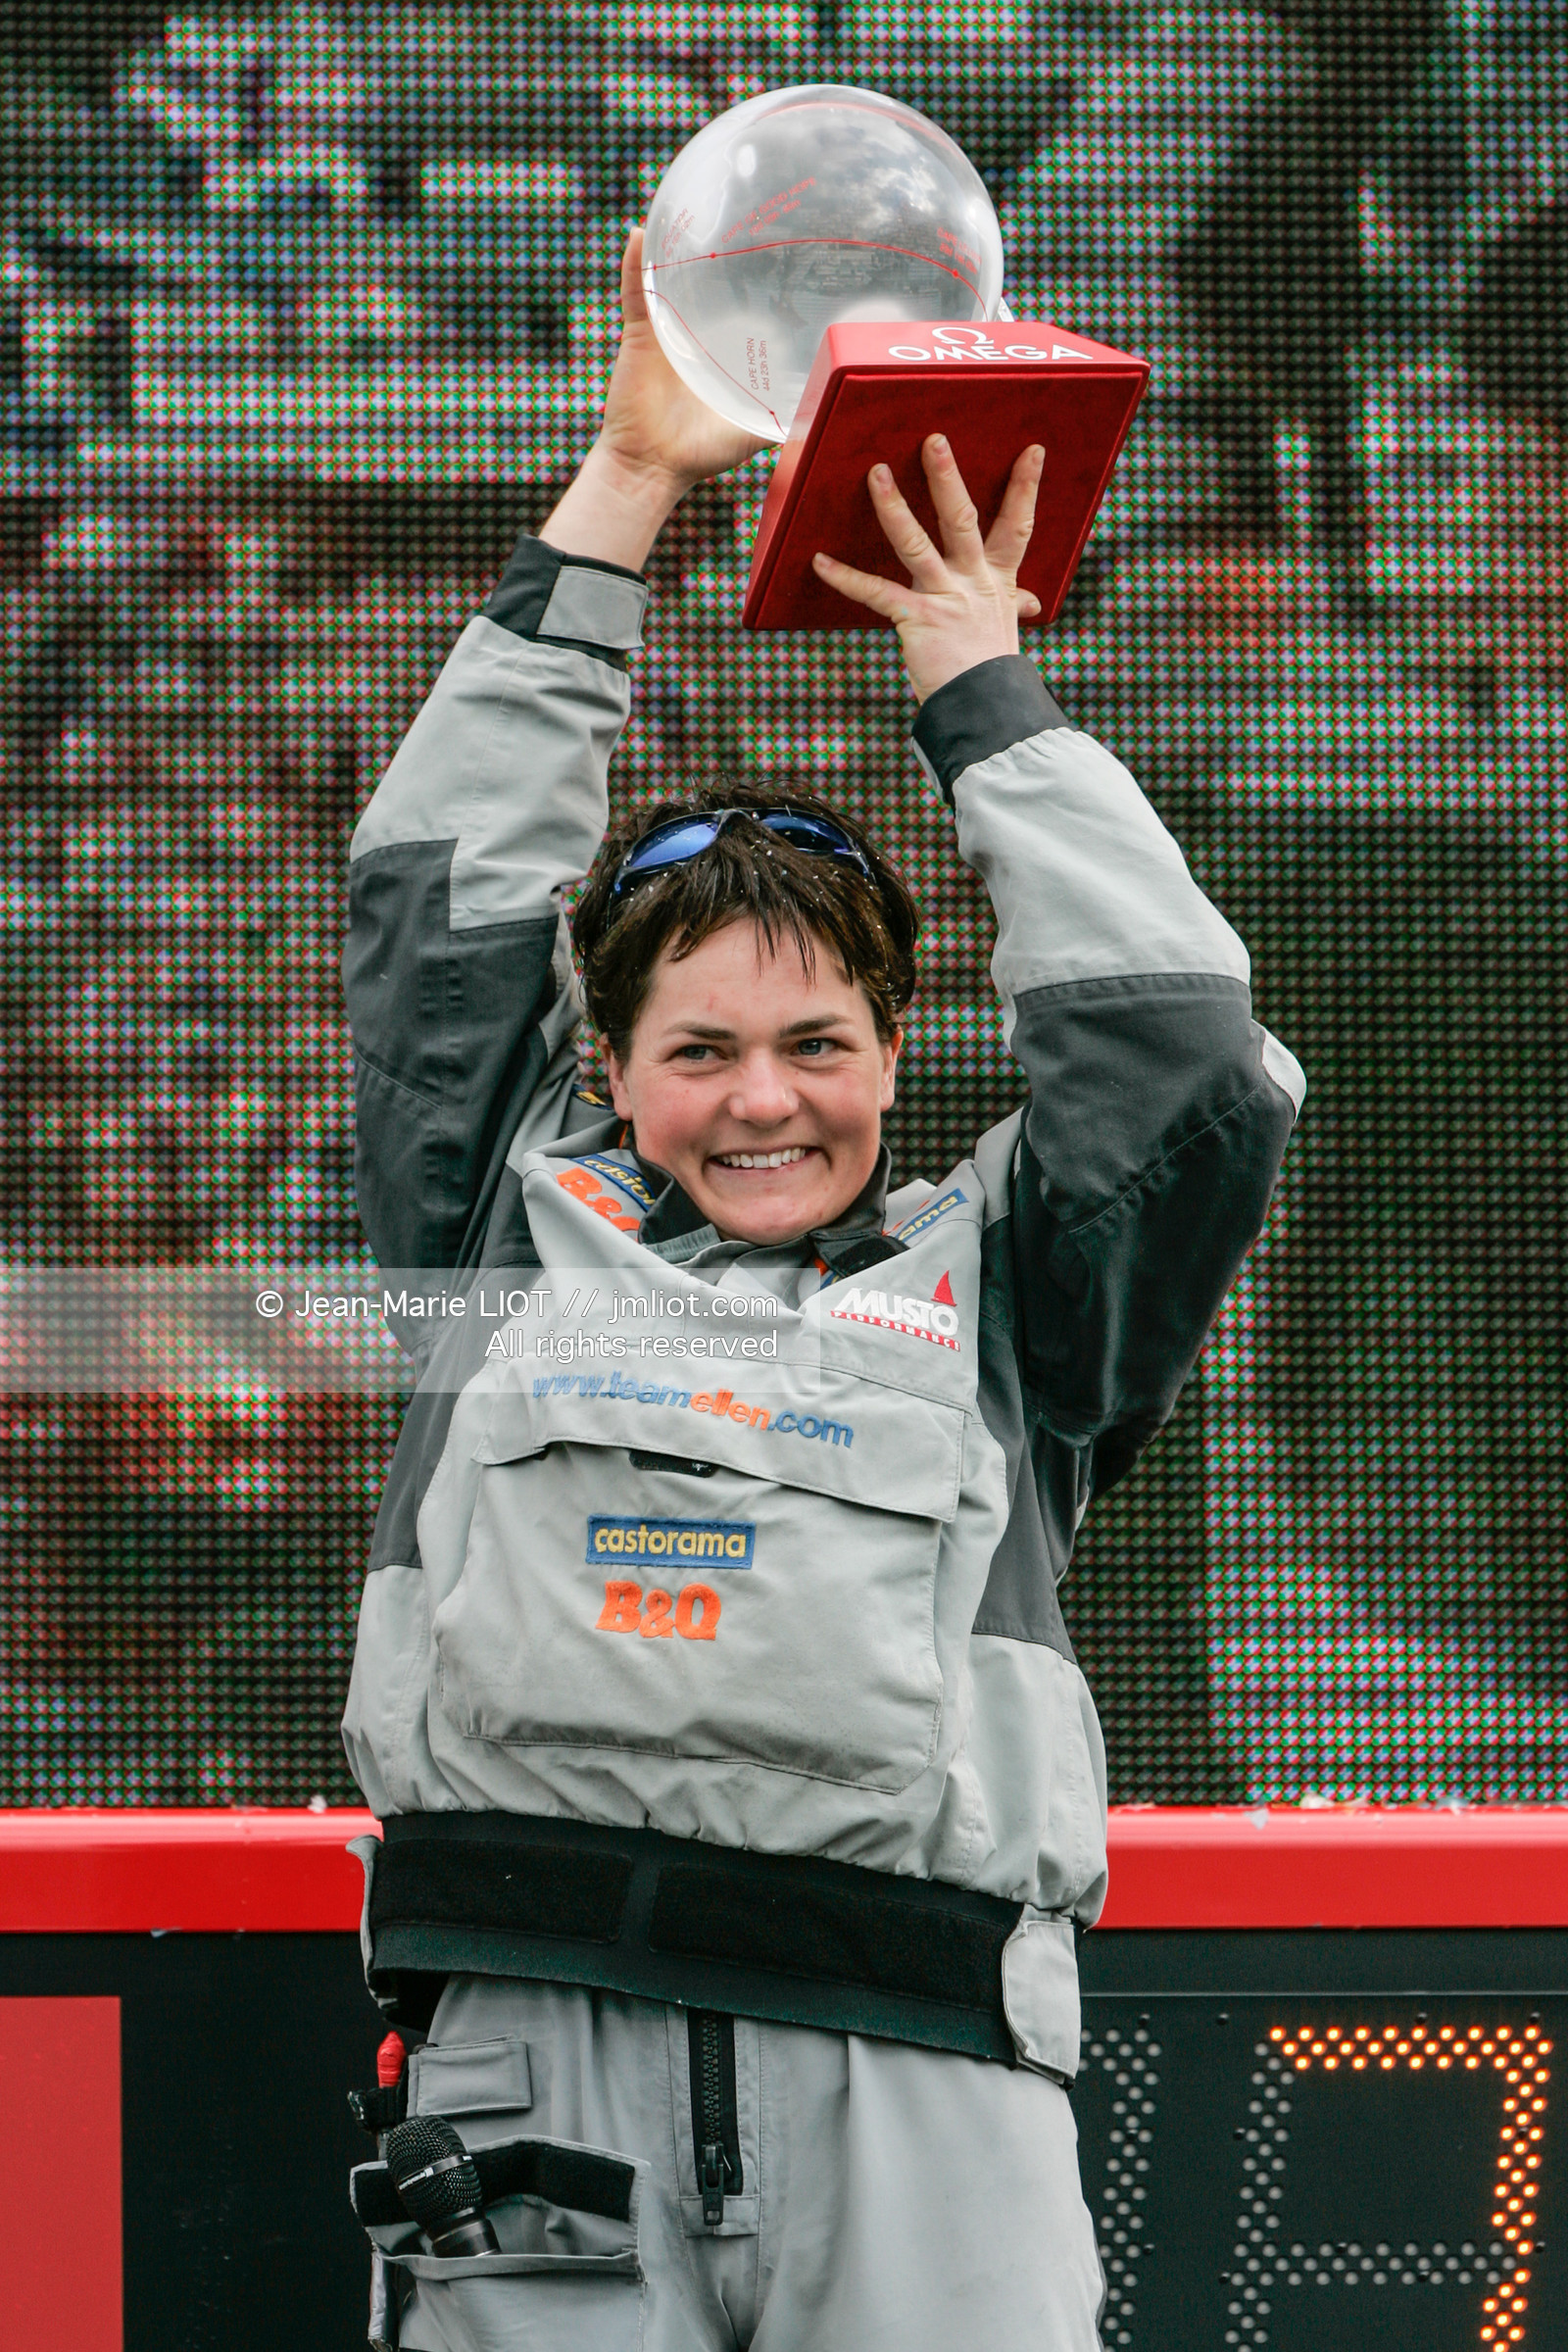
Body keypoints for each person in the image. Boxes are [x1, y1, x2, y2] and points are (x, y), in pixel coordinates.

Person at [340, 228, 1304, 2352]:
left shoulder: (1023, 1303)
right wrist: (623, 482)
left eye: (815, 1046)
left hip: (924, 2085)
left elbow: (1174, 1049)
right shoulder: (496, 1239)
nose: (757, 1101)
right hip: (531, 2064)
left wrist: (974, 675)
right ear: (605, 1076)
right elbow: (439, 900)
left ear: (897, 1054)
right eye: (695, 1050)